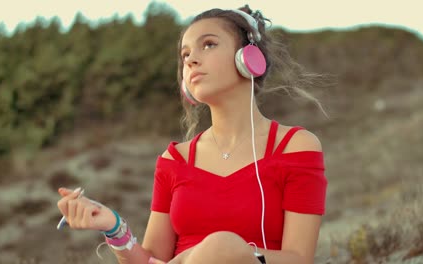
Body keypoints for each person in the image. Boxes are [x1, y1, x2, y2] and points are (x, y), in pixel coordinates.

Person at [57, 5, 328, 264]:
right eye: (185, 55)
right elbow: (152, 260)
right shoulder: (175, 160)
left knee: (222, 245)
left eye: (208, 44)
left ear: (248, 57)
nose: (192, 60)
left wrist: (225, 253)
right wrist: (113, 227)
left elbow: (299, 259)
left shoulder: (294, 147)